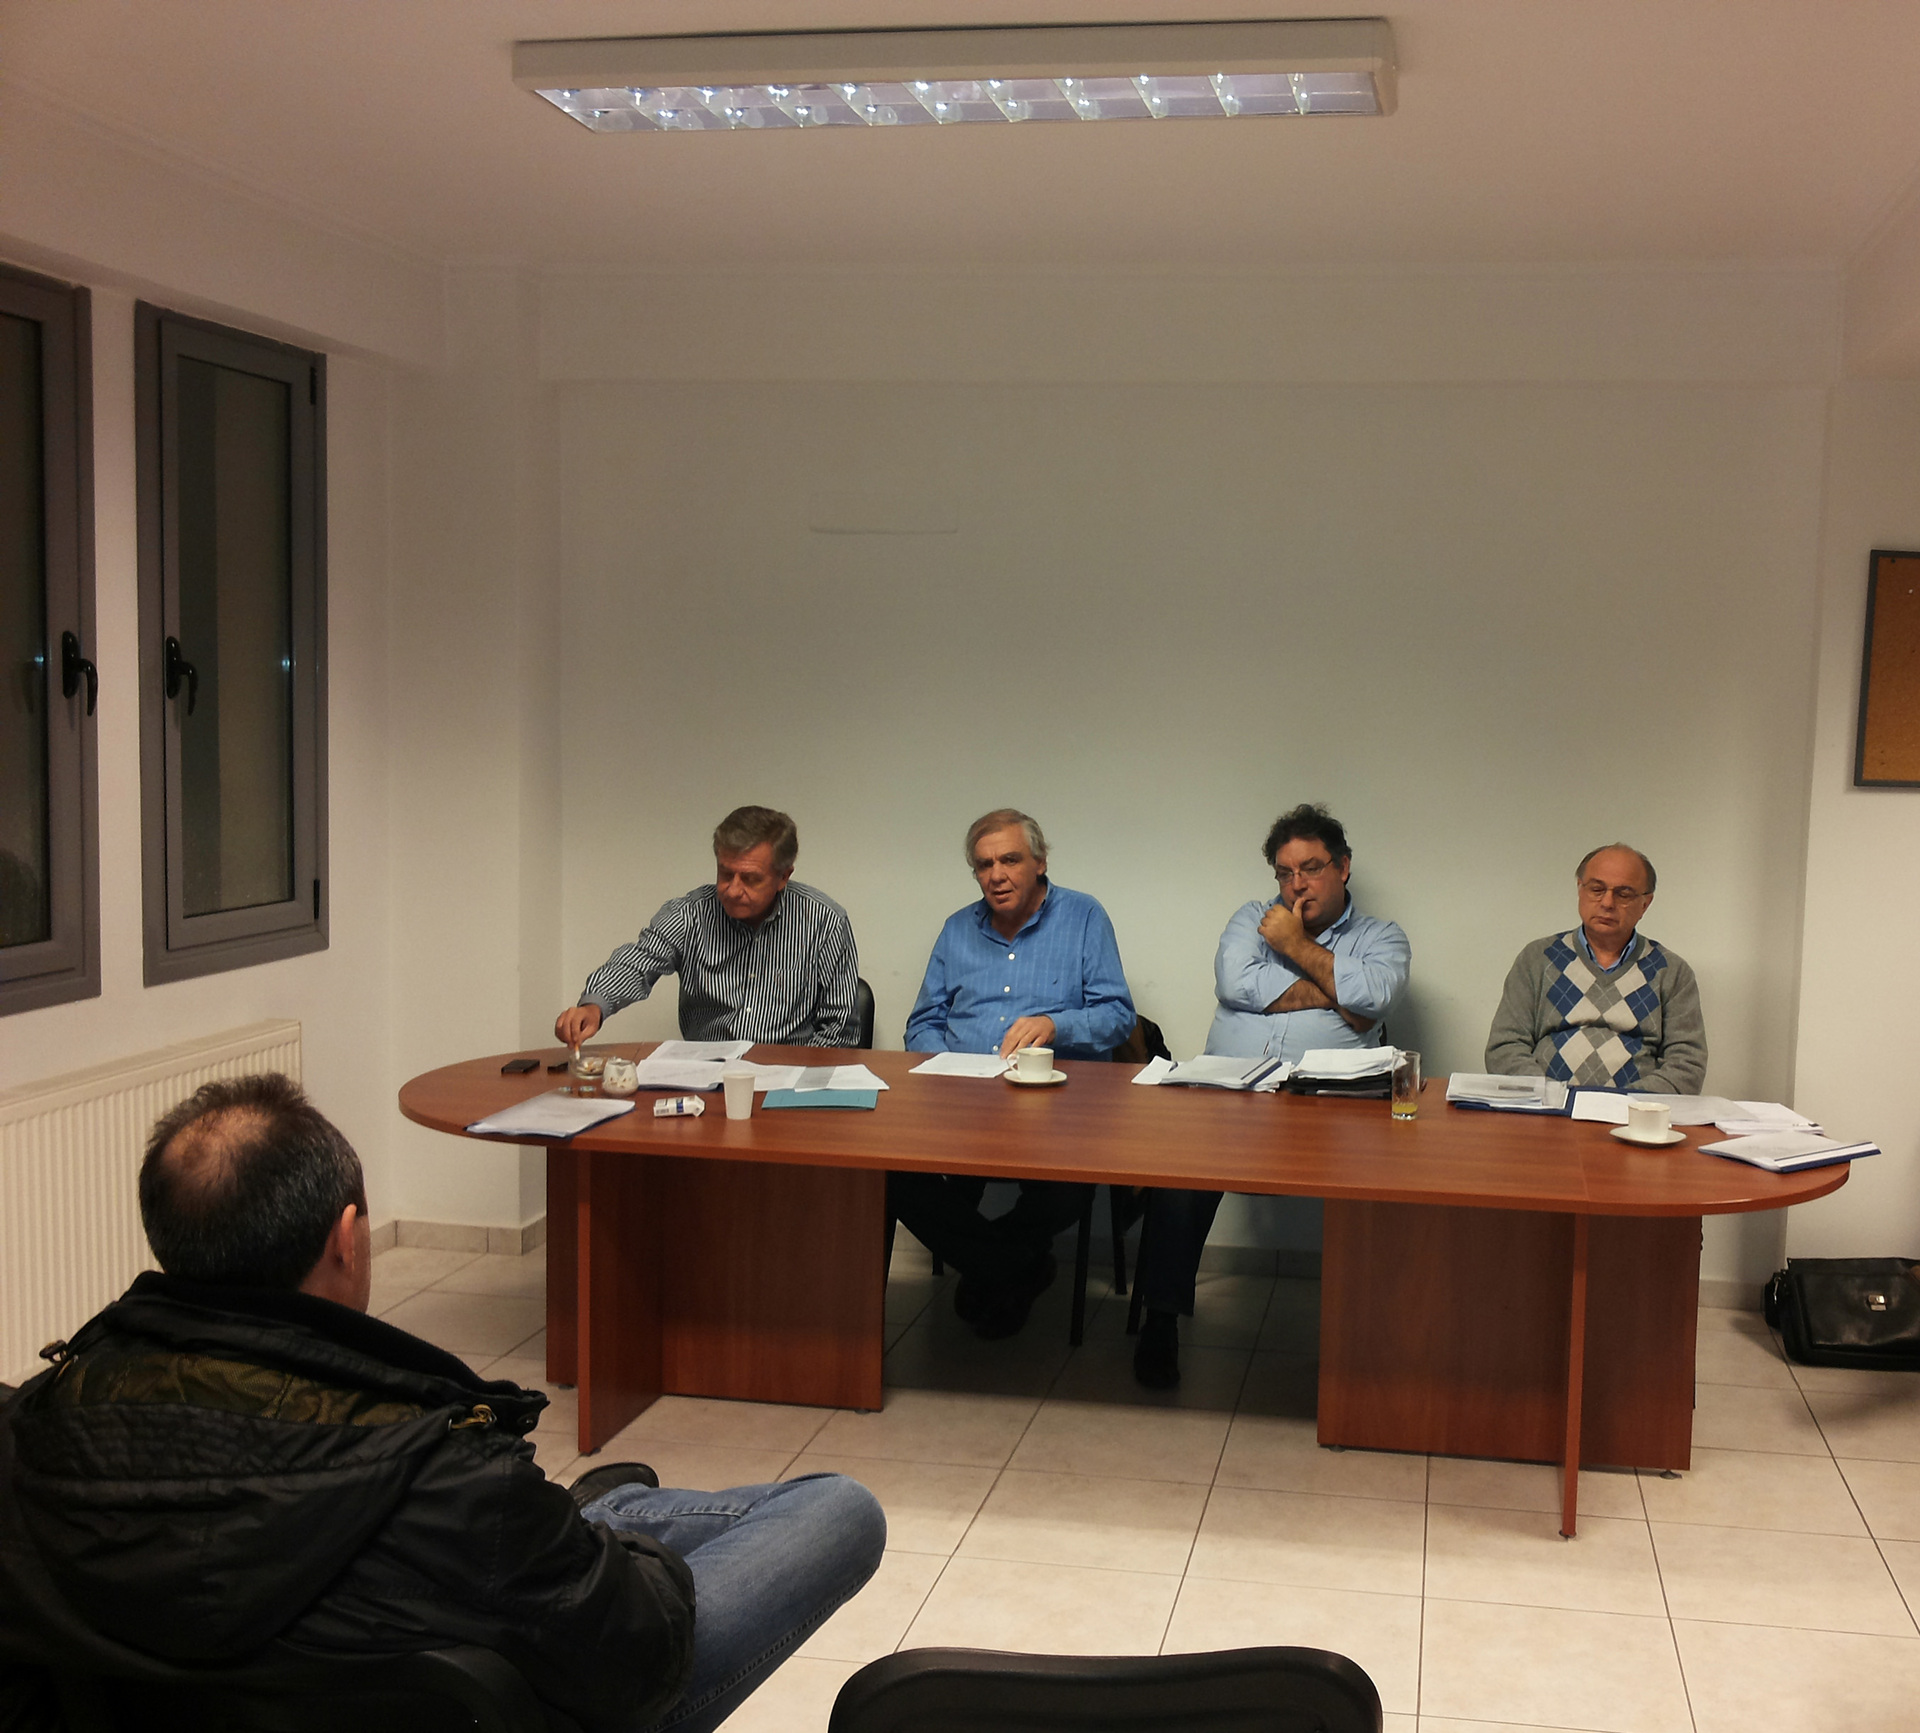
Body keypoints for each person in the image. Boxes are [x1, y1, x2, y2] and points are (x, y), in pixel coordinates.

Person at [0, 1074, 883, 1733]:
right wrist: (614, 1559)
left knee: (567, 1532)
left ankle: (586, 1523)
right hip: (536, 1676)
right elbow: (639, 1657)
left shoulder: (35, 1422)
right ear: (348, 1240)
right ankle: (594, 1524)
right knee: (838, 1509)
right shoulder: (451, 1478)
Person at [1133, 804, 1410, 1389]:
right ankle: (1161, 1320)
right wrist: (1336, 989)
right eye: (1285, 873)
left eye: (1311, 868)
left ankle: (1366, 1339)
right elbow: (1235, 982)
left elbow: (1374, 995)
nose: (1296, 884)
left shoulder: (1382, 937)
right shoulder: (1250, 919)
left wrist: (1294, 944)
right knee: (1178, 1170)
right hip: (1228, 1098)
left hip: (1332, 1111)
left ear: (1343, 867)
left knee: (1381, 1177)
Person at [891, 809, 1135, 1340]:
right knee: (894, 1177)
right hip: (962, 1101)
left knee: (1067, 1195)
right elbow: (924, 1022)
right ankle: (1014, 1267)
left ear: (1039, 862)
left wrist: (1056, 1023)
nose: (996, 875)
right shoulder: (957, 928)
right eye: (984, 865)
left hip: (1055, 1107)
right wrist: (946, 1068)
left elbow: (1118, 1016)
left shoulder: (1084, 916)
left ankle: (989, 1267)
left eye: (1009, 860)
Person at [556, 805, 860, 1050]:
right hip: (706, 1076)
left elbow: (839, 1028)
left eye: (750, 879)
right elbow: (637, 962)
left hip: (788, 1078)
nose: (732, 890)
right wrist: (594, 1006)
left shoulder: (824, 921)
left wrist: (796, 1084)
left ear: (783, 877)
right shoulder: (690, 914)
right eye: (725, 874)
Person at [1484, 842, 1705, 1092]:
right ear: (1580, 889)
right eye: (1597, 889)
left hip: (1633, 1113)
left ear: (1645, 903)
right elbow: (1504, 1048)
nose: (1607, 903)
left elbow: (1687, 1065)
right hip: (1546, 1107)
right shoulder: (1537, 959)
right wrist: (1551, 1097)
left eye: (1623, 894)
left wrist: (1624, 1103)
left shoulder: (1672, 971)